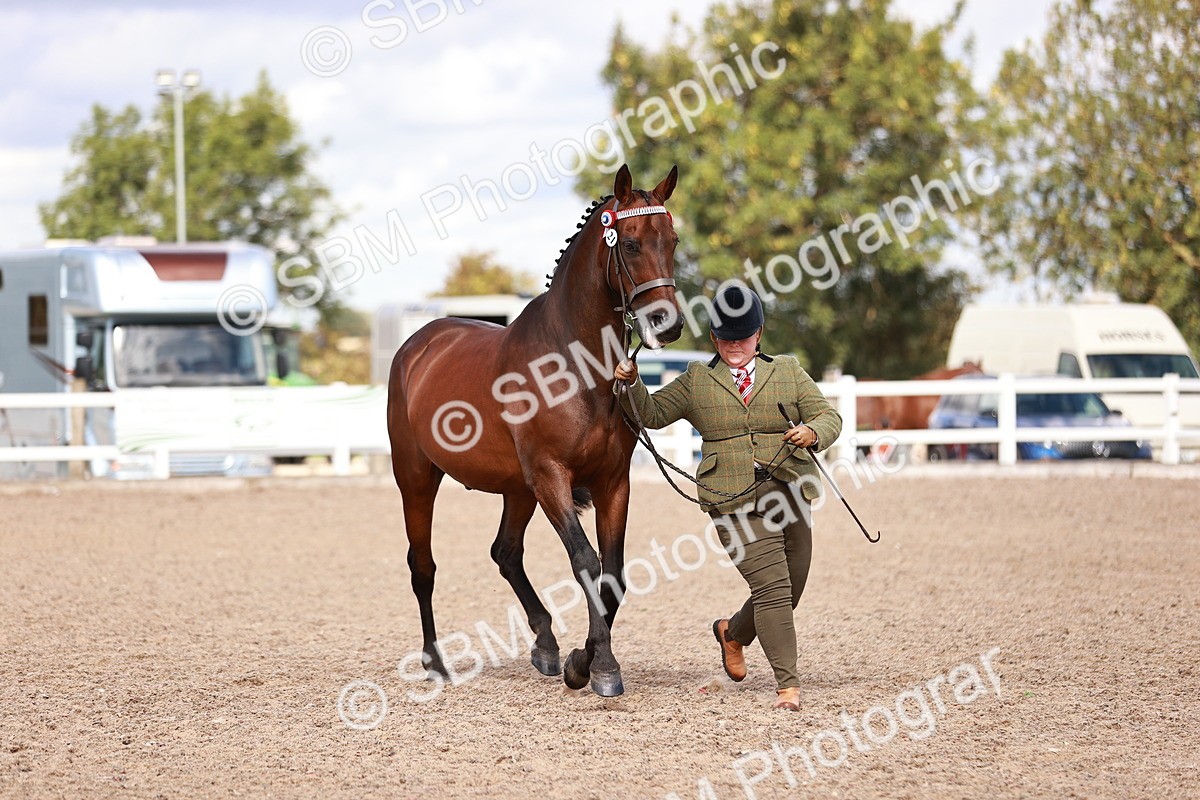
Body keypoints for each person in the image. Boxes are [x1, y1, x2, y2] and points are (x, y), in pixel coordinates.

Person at [614, 284, 842, 711]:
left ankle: (733, 634)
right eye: (725, 339)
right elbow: (652, 414)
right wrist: (631, 385)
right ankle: (787, 686)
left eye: (743, 337)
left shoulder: (788, 370)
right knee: (773, 586)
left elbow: (828, 415)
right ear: (714, 339)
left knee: (792, 586)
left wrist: (814, 433)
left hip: (790, 489)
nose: (734, 346)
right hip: (731, 497)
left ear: (759, 334)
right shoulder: (699, 380)